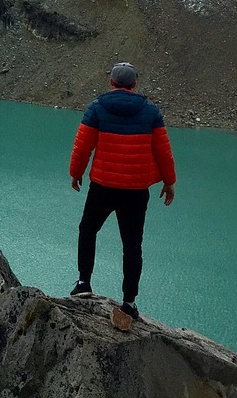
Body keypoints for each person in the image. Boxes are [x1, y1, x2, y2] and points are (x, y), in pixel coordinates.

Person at [68, 61, 176, 324]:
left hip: (103, 186)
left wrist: (76, 172)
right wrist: (169, 181)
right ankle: (128, 302)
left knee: (88, 229)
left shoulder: (97, 108)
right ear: (134, 85)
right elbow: (163, 149)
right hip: (136, 191)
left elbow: (83, 145)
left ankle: (84, 283)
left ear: (112, 83)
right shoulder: (150, 112)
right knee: (132, 245)